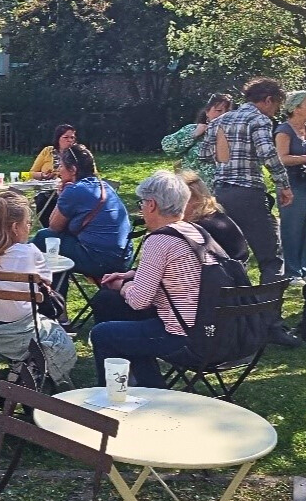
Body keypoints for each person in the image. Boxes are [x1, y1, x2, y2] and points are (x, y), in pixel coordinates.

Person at [200, 76, 301, 346]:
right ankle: (270, 326)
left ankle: (232, 321)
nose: (276, 111)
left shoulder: (220, 121)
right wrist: (283, 185)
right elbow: (269, 155)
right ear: (267, 99)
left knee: (231, 259)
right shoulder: (258, 119)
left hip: (221, 194)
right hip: (249, 193)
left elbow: (206, 155)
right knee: (271, 260)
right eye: (276, 104)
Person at [89, 170, 204, 387]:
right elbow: (176, 274)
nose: (141, 209)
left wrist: (122, 285)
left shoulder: (159, 240)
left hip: (181, 335)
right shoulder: (196, 232)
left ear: (151, 205)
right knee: (110, 305)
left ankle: (116, 397)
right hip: (210, 328)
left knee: (103, 334)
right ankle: (150, 386)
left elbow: (139, 301)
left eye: (142, 203)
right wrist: (134, 275)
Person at [0, 193, 77, 386]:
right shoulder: (29, 252)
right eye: (28, 223)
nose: (29, 228)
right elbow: (46, 285)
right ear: (15, 228)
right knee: (56, 335)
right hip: (20, 334)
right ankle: (27, 373)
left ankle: (21, 372)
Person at [32, 143, 133, 298]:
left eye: (62, 166)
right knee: (55, 247)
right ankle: (57, 305)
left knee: (44, 238)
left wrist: (62, 195)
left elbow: (54, 226)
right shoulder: (104, 185)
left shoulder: (74, 190)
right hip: (124, 258)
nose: (59, 170)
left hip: (100, 260)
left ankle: (53, 305)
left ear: (73, 170)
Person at [161, 92, 234, 189]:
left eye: (227, 112)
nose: (222, 115)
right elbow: (168, 147)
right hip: (193, 192)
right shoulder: (192, 129)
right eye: (218, 110)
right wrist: (194, 135)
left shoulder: (235, 134)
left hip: (223, 192)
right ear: (207, 112)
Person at [180, 171, 250, 263]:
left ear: (196, 198)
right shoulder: (217, 216)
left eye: (179, 200)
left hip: (226, 273)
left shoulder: (200, 227)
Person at [275, 90, 306, 289]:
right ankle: (292, 271)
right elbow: (281, 157)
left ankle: (304, 267)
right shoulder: (284, 130)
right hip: (290, 185)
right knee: (292, 228)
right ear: (296, 108)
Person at [29, 124, 77, 223]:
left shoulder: (78, 153)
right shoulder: (48, 151)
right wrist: (43, 175)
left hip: (69, 190)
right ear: (58, 138)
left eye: (72, 137)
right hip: (47, 190)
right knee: (43, 201)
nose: (69, 140)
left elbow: (91, 173)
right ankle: (49, 230)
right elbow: (31, 173)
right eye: (66, 137)